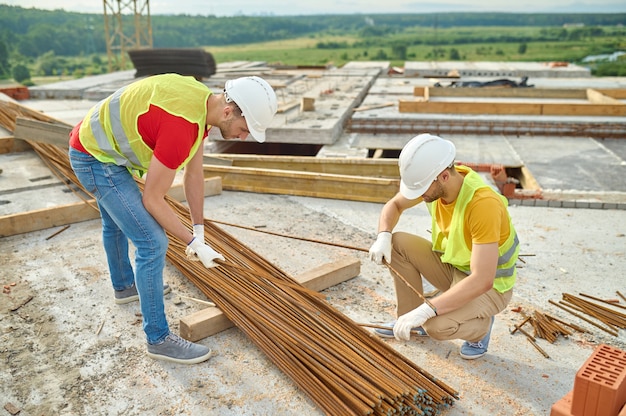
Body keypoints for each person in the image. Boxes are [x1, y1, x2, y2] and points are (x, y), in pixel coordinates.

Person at [68, 73, 278, 364]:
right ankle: (159, 339)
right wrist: (192, 243)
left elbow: (194, 174)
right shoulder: (182, 127)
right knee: (152, 243)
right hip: (94, 158)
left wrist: (200, 230)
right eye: (244, 129)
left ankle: (124, 286)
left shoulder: (203, 104)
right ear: (228, 111)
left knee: (115, 222)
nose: (244, 136)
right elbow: (152, 199)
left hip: (97, 144)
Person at [368, 133, 519, 360]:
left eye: (421, 189)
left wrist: (428, 309)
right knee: (396, 242)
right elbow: (395, 205)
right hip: (456, 269)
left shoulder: (483, 205)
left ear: (444, 176)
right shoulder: (437, 184)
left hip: (491, 287)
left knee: (436, 326)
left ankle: (481, 329)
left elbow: (482, 279)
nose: (418, 196)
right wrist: (383, 235)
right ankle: (408, 320)